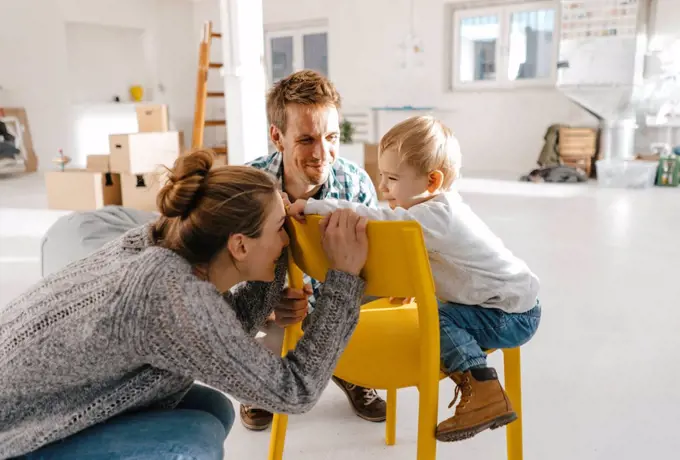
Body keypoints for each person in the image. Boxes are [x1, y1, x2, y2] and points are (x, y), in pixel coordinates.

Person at [0, 149, 371, 460]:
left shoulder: (161, 243)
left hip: (30, 402)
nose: (287, 238)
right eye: (280, 228)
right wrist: (344, 278)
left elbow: (214, 333)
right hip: (13, 436)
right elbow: (295, 390)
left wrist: (272, 279)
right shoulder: (166, 294)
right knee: (192, 441)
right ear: (240, 245)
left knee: (211, 408)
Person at [287, 116, 542, 442]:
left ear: (432, 182)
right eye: (382, 176)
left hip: (512, 314)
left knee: (437, 318)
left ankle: (483, 388)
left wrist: (315, 207)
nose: (382, 188)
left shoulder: (438, 215)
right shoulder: (426, 215)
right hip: (493, 303)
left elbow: (379, 218)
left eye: (392, 178)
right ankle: (481, 385)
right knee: (435, 310)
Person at [244, 69, 386, 430]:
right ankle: (255, 385)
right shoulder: (248, 186)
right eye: (306, 139)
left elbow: (376, 266)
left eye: (332, 137)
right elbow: (223, 268)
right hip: (278, 310)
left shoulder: (355, 184)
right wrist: (265, 302)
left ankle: (352, 371)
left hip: (340, 303)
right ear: (277, 136)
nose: (323, 154)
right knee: (250, 318)